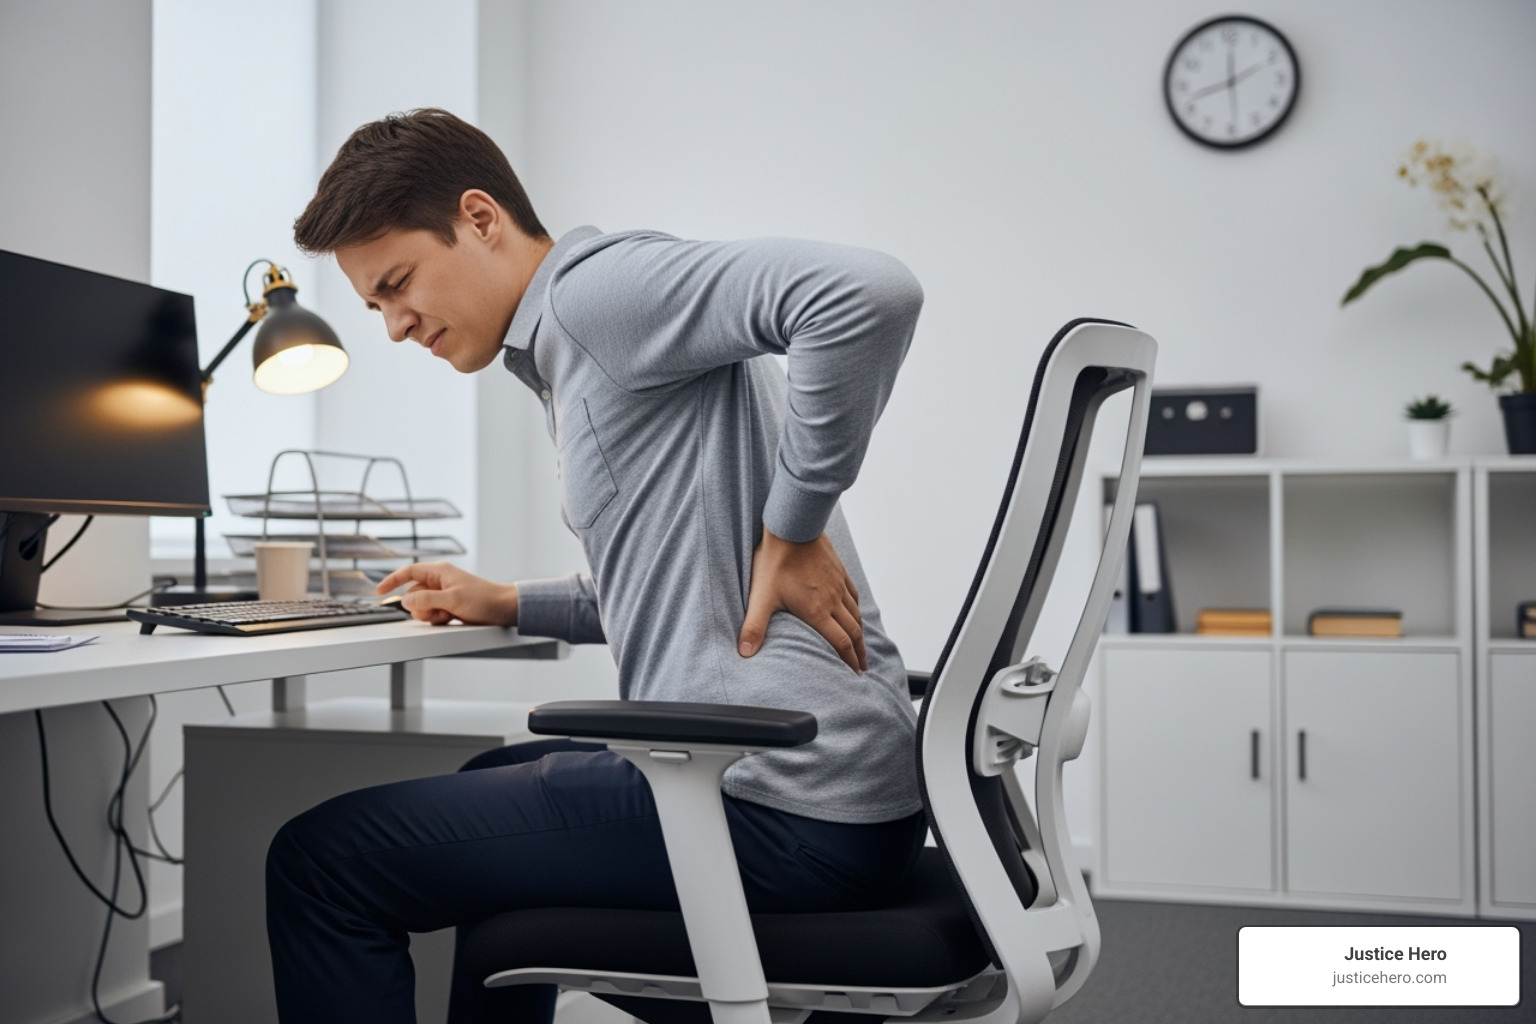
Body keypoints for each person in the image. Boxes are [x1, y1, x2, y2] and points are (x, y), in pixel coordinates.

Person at [265, 107, 926, 1024]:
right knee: (479, 796)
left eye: (400, 283)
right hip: (824, 792)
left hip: (778, 807)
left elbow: (868, 292)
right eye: (375, 304)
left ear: (482, 218)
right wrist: (505, 600)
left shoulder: (596, 296)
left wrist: (794, 523)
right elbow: (675, 586)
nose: (393, 325)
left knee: (320, 862)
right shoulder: (570, 350)